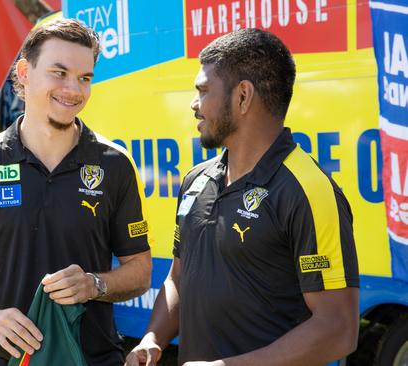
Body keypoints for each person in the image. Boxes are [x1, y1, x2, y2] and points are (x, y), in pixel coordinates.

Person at [125, 28, 359, 366]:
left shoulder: (308, 190)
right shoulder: (196, 180)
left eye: (203, 90)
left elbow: (338, 329)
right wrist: (152, 337)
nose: (194, 104)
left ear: (243, 96)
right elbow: (179, 276)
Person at [0, 18, 152, 366]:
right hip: (10, 360)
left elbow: (140, 270)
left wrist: (95, 285)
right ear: (24, 71)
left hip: (96, 359)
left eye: (84, 78)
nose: (73, 89)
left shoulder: (116, 165)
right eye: (59, 72)